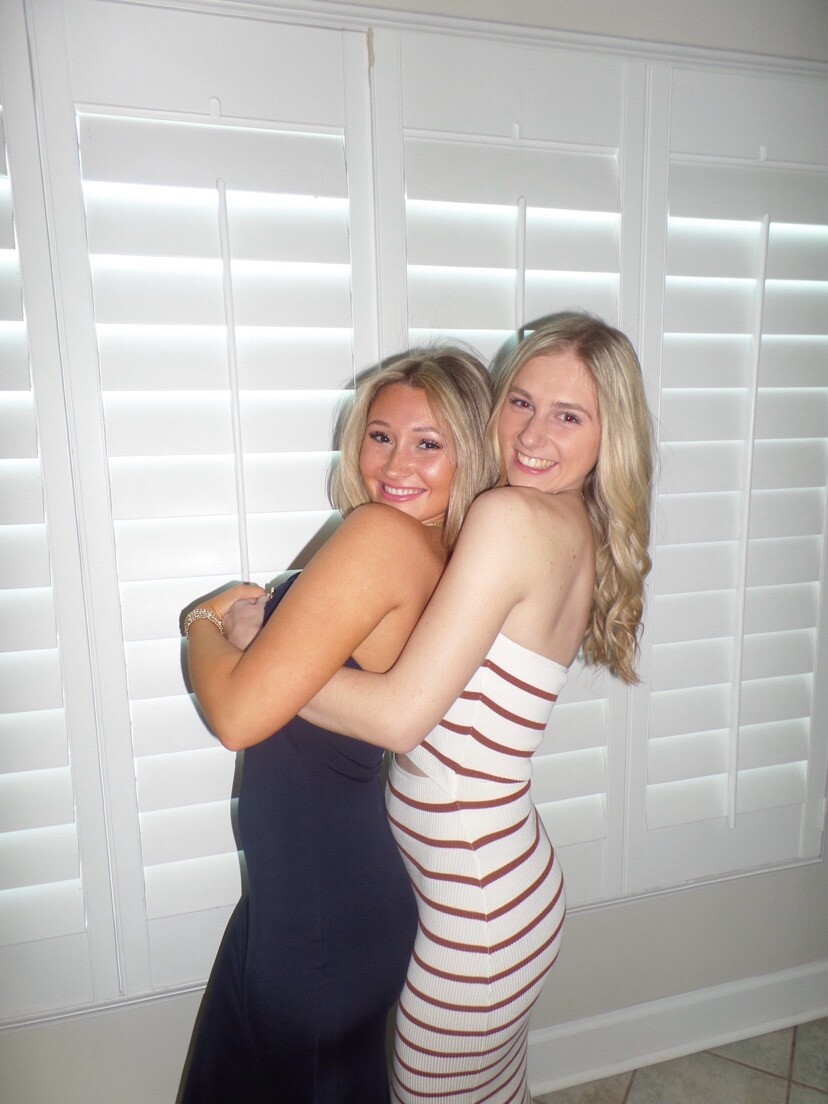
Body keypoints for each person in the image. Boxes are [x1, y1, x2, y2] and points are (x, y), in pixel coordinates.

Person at [289, 311, 656, 1104]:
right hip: (496, 892)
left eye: (569, 416)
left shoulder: (511, 518)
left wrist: (269, 656)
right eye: (520, 401)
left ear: (610, 436)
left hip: (478, 915)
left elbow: (398, 720)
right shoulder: (565, 520)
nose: (532, 433)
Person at [178, 347, 497, 1104]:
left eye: (428, 442)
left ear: (471, 456)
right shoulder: (420, 545)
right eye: (380, 435)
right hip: (302, 898)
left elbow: (236, 715)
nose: (396, 462)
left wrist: (202, 622)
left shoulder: (381, 538)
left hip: (318, 916)